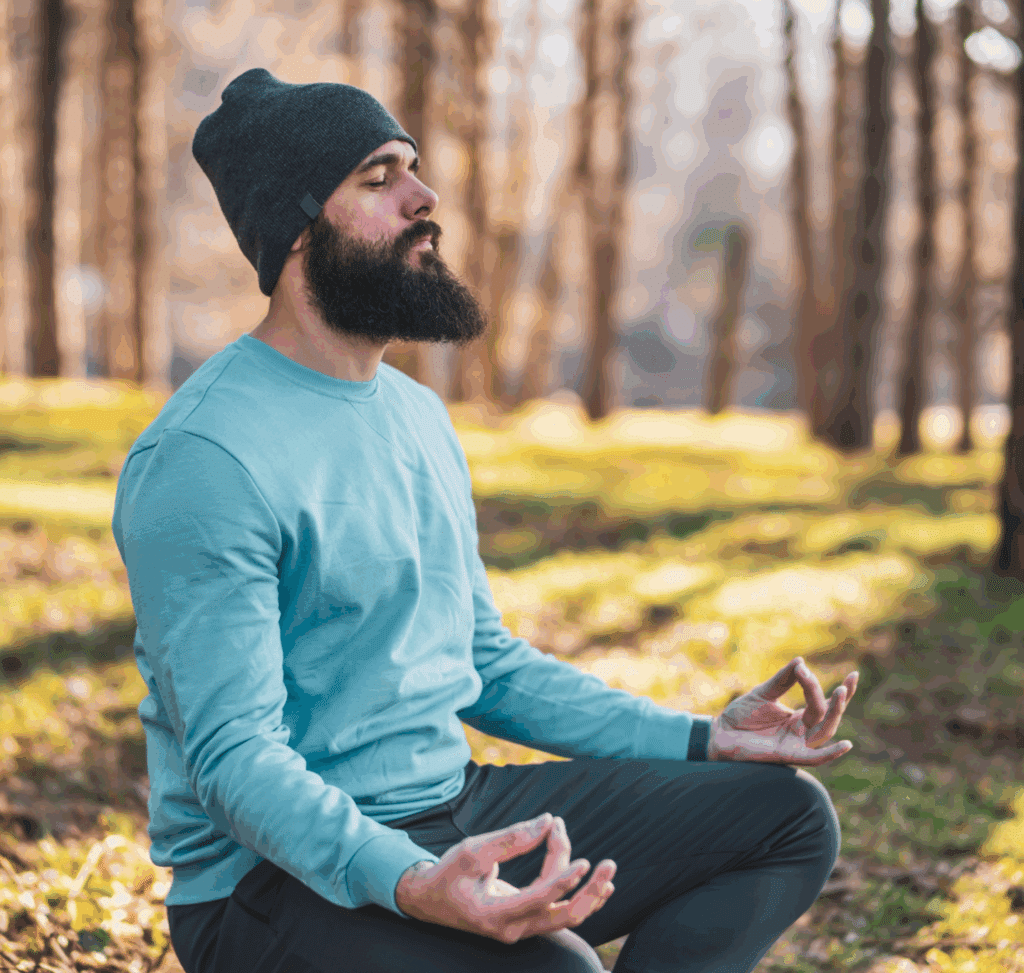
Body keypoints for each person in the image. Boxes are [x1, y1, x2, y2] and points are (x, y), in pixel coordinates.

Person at [111, 68, 860, 973]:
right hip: (268, 886)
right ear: (300, 229)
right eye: (379, 180)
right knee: (558, 967)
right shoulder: (206, 456)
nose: (425, 200)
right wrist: (413, 879)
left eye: (413, 168)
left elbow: (481, 660)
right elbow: (232, 760)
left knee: (780, 816)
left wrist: (703, 736)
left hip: (449, 805)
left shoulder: (415, 415)